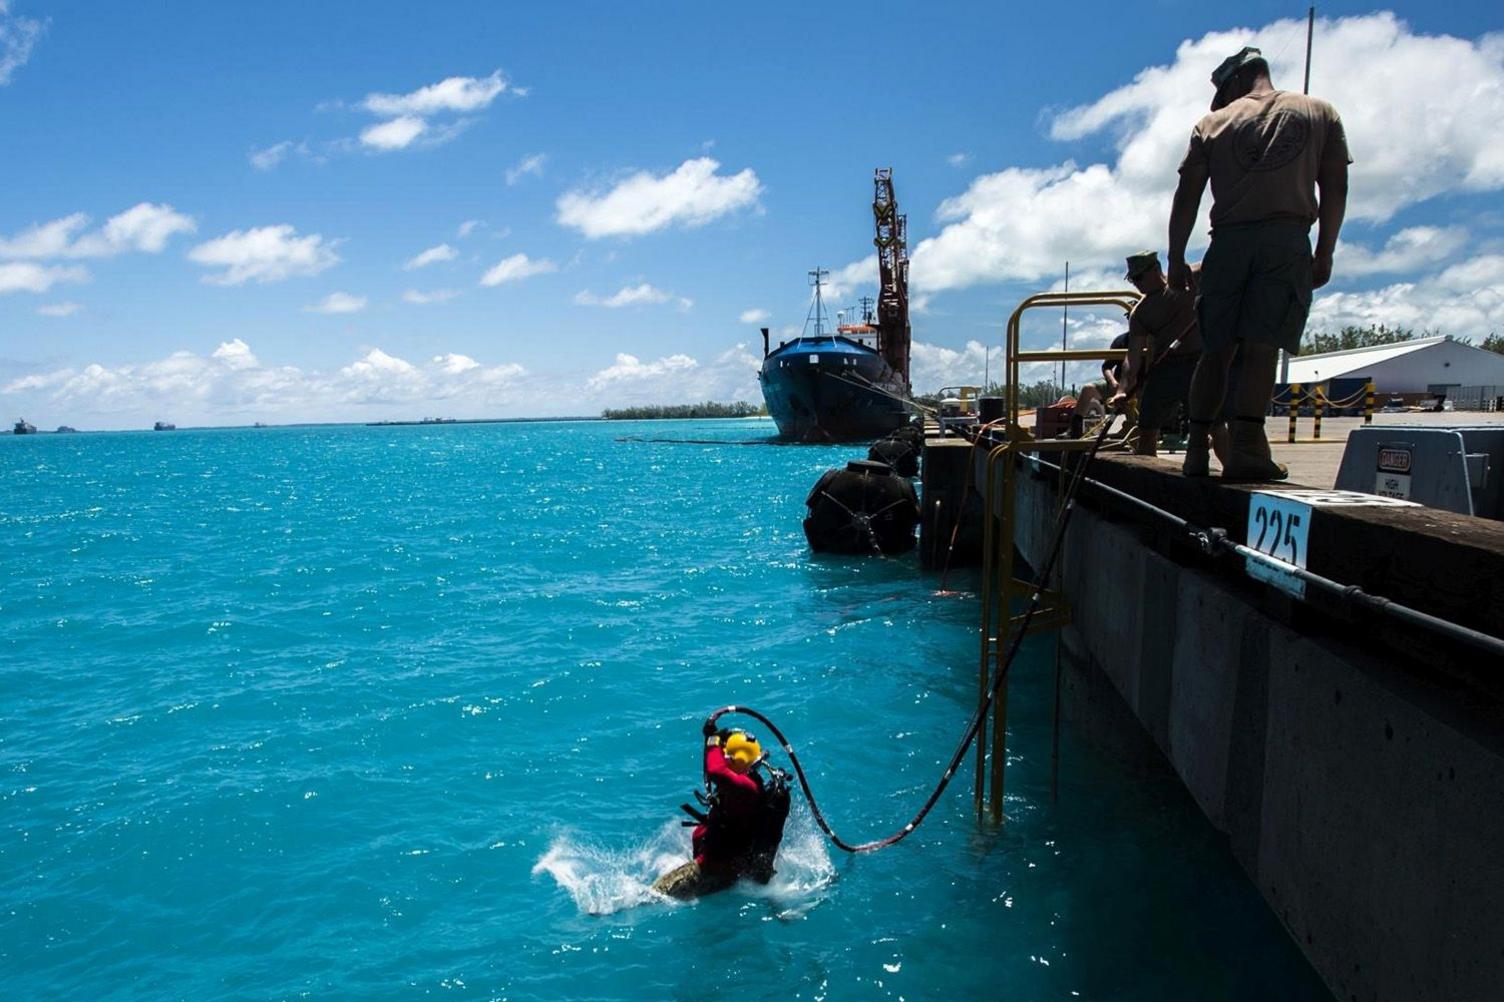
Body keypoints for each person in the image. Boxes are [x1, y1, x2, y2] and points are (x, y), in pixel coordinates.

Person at [1167, 46, 1350, 480]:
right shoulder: (1319, 112)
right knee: (1261, 347)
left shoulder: (1212, 124)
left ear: (1233, 82)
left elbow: (1187, 197)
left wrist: (1175, 257)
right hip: (1286, 240)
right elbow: (1336, 187)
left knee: (1215, 350)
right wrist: (1325, 250)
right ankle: (1247, 448)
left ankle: (1196, 451)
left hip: (1227, 241)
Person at [1110, 253, 1231, 462]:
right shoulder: (1141, 313)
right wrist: (1122, 390)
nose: (1137, 284)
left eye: (1139, 278)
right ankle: (1147, 477)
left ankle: (1233, 469)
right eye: (1132, 280)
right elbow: (1133, 358)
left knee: (1215, 424)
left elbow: (1222, 262)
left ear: (1156, 269)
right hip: (1164, 368)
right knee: (1147, 428)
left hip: (1200, 363)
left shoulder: (1190, 277)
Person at [652, 722, 791, 899]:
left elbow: (715, 770)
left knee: (654, 895)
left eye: (728, 757)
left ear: (737, 760)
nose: (725, 759)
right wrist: (715, 739)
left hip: (714, 867)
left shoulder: (745, 788)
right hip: (723, 860)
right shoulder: (750, 779)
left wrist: (713, 741)